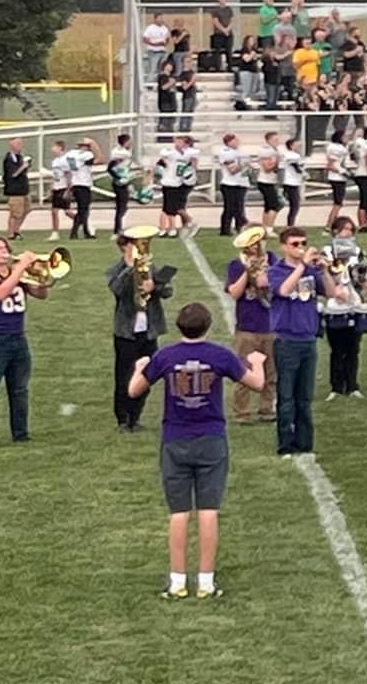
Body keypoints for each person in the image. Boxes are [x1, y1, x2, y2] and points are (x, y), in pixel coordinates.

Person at [127, 301, 263, 598]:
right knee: (208, 511)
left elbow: (134, 391)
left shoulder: (166, 356)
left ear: (179, 326)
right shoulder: (219, 355)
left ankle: (177, 582)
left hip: (175, 438)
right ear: (208, 326)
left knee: (178, 513)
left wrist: (139, 369)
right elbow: (257, 383)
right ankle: (206, 581)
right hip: (211, 439)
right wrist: (258, 362)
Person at [269, 228, 341, 458]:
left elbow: (331, 293)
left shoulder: (311, 271)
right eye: (294, 244)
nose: (299, 247)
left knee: (305, 397)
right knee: (286, 397)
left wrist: (325, 270)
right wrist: (302, 266)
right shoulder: (276, 271)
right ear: (284, 246)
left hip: (308, 339)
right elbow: (283, 290)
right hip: (287, 340)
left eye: (303, 243)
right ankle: (285, 444)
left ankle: (305, 442)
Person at [0, 236, 47, 444]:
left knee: (20, 389)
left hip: (18, 338)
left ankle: (21, 433)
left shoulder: (18, 276)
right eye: (0, 249)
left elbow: (42, 294)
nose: (6, 252)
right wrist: (20, 268)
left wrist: (42, 274)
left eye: (6, 247)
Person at [109, 230, 173, 432]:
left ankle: (136, 417)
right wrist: (130, 267)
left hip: (149, 330)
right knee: (124, 376)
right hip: (126, 332)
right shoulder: (116, 269)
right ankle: (122, 418)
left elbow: (168, 291)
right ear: (124, 247)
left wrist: (154, 286)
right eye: (132, 245)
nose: (136, 249)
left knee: (146, 375)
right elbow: (117, 289)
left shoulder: (151, 267)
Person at [224, 233, 277, 425]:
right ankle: (242, 413)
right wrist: (248, 271)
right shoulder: (235, 265)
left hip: (270, 325)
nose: (254, 247)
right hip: (246, 328)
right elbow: (235, 293)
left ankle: (266, 409)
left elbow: (268, 284)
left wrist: (261, 269)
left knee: (270, 373)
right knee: (243, 373)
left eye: (257, 243)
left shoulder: (271, 259)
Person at [322, 219, 367, 400]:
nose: (348, 234)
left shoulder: (358, 253)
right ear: (335, 232)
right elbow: (323, 277)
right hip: (334, 305)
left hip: (354, 302)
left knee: (353, 348)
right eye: (344, 230)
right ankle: (336, 387)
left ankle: (352, 386)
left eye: (351, 230)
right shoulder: (326, 253)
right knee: (336, 348)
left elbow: (364, 275)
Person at [0, 141, 32, 240]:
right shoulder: (9, 159)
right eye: (18, 144)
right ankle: (10, 233)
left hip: (23, 189)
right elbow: (13, 174)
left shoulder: (19, 157)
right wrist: (23, 167)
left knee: (26, 209)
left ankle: (16, 230)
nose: (20, 146)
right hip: (15, 190)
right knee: (15, 213)